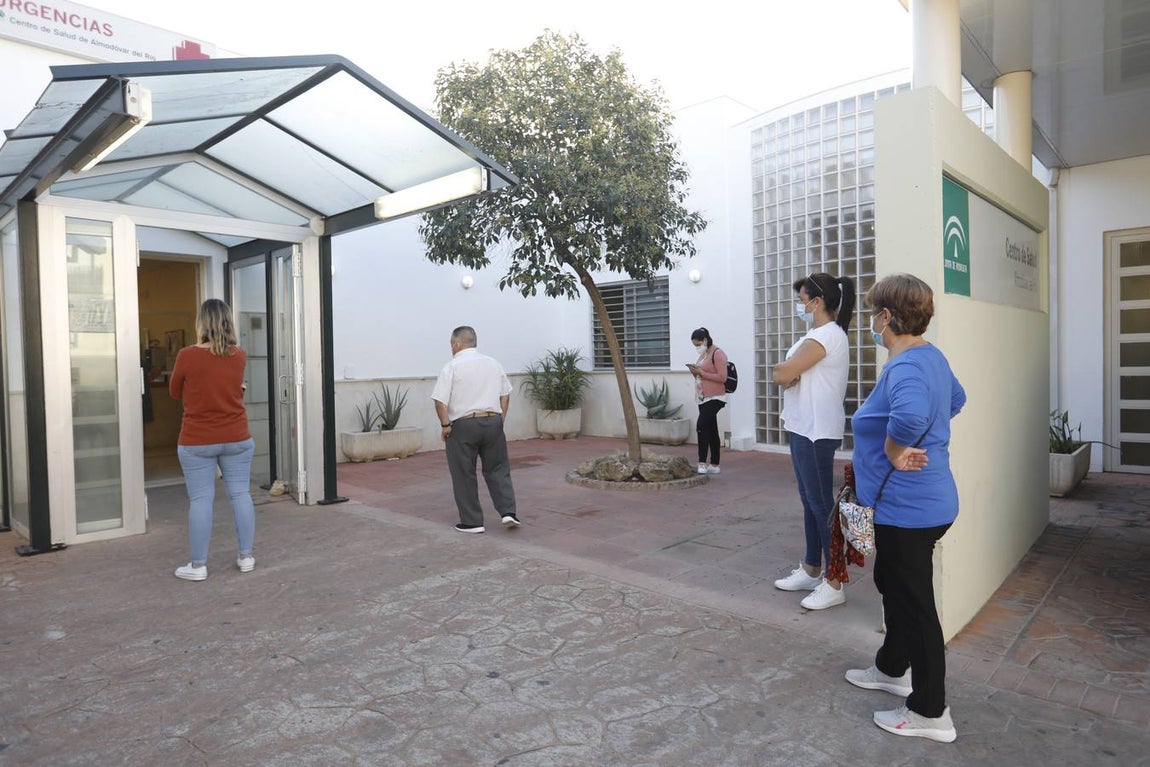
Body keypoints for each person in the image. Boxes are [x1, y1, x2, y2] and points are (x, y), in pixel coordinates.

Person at [844, 273, 966, 743]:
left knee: (914, 605)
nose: (871, 321)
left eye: (873, 313)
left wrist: (896, 450)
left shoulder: (907, 367)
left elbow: (913, 415)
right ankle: (892, 667)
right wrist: (923, 436)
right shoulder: (929, 357)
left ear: (887, 316)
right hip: (922, 504)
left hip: (909, 508)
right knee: (892, 584)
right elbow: (956, 399)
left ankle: (930, 712)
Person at [771, 273, 856, 610]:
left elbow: (781, 373)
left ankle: (834, 582)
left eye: (802, 300)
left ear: (817, 302)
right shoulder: (818, 336)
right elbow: (787, 374)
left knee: (820, 504)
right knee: (810, 500)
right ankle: (811, 568)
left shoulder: (827, 335)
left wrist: (789, 372)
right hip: (803, 426)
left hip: (816, 431)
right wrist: (790, 372)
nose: (800, 306)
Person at [169, 299, 256, 581]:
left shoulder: (187, 355)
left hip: (197, 440)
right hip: (237, 436)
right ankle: (246, 557)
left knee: (201, 500)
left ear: (201, 323)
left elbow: (174, 392)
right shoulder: (239, 355)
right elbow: (234, 390)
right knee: (241, 495)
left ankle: (198, 566)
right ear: (228, 321)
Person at [431, 326, 519, 533]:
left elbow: (439, 401)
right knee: (498, 468)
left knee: (464, 473)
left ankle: (472, 522)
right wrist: (500, 419)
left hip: (463, 425)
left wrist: (445, 425)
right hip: (493, 422)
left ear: (457, 344)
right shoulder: (493, 363)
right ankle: (508, 512)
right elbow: (505, 395)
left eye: (451, 345)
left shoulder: (452, 367)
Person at [686, 327, 729, 475]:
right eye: (695, 345)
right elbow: (702, 374)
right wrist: (695, 373)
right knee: (711, 429)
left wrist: (701, 373)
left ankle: (702, 463)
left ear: (705, 340)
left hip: (715, 397)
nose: (697, 347)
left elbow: (722, 377)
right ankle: (715, 464)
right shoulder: (703, 354)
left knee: (701, 426)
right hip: (703, 397)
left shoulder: (718, 353)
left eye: (698, 344)